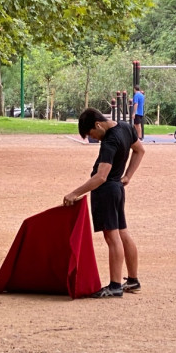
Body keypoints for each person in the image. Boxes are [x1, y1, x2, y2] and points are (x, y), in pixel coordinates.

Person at [66, 109, 145, 298]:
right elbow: (140, 150)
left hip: (107, 191)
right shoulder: (126, 128)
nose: (95, 139)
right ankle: (133, 280)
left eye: (92, 135)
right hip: (118, 187)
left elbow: (101, 177)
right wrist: (127, 176)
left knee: (112, 237)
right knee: (123, 232)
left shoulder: (109, 141)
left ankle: (115, 285)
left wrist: (74, 193)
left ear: (97, 125)